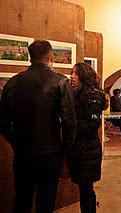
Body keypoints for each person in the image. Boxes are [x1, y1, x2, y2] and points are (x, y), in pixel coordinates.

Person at [0, 40, 76, 213]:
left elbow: (2, 122)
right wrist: (64, 150)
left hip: (23, 153)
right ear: (50, 57)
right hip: (50, 154)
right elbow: (69, 122)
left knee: (21, 200)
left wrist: (16, 141)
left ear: (30, 57)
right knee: (46, 202)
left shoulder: (12, 82)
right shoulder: (60, 82)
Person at [69, 63, 106, 213]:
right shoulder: (78, 92)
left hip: (87, 149)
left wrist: (70, 124)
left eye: (75, 73)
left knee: (86, 188)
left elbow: (93, 124)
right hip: (81, 148)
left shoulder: (92, 95)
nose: (72, 76)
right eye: (72, 73)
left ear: (84, 76)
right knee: (84, 187)